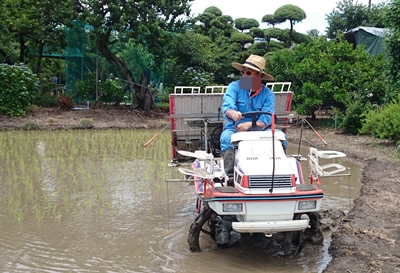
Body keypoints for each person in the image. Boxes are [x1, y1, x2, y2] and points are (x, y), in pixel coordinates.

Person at [220, 54, 286, 177]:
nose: (244, 75)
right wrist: (233, 113)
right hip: (234, 127)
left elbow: (266, 118)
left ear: (259, 75)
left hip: (261, 129)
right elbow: (227, 107)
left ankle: (279, 173)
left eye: (248, 73)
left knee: (281, 137)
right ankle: (230, 176)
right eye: (243, 72)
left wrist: (249, 125)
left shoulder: (268, 94)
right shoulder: (234, 87)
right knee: (226, 138)